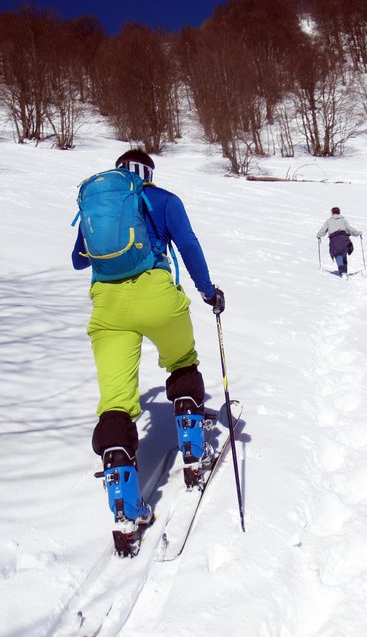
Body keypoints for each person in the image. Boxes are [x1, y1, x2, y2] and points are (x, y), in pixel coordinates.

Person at [72, 148, 225, 536]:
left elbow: (78, 259)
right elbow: (188, 246)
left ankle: (125, 501)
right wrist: (208, 292)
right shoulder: (163, 199)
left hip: (108, 307)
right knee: (182, 362)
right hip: (158, 297)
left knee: (116, 403)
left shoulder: (101, 205)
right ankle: (193, 448)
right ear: (148, 173)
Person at [316, 206, 362, 276]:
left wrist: (318, 235)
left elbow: (323, 231)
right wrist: (358, 233)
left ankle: (342, 272)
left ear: (332, 213)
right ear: (339, 212)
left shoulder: (328, 221)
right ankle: (344, 271)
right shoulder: (343, 220)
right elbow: (350, 229)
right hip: (344, 239)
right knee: (343, 254)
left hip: (334, 241)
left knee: (338, 255)